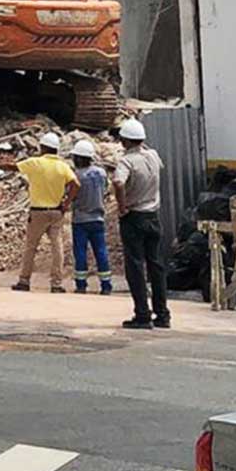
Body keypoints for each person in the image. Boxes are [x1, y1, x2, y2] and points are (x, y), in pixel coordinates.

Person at [0, 131, 80, 293]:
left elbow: (12, 167)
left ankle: (24, 281)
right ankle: (56, 284)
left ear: (43, 147)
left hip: (38, 213)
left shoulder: (36, 163)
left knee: (31, 247)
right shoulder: (63, 166)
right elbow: (76, 184)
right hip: (57, 212)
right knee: (57, 248)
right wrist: (65, 204)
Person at [114, 117, 170, 331]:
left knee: (136, 267)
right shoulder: (153, 156)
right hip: (153, 217)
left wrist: (121, 206)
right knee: (156, 266)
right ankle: (162, 314)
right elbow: (148, 152)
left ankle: (142, 315)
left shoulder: (126, 161)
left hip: (134, 217)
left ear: (124, 141)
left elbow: (118, 181)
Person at [70, 138, 112, 295]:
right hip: (98, 218)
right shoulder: (101, 173)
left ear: (80, 158)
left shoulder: (76, 176)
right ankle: (106, 285)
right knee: (101, 251)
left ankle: (81, 285)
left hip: (80, 220)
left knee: (80, 252)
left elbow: (71, 195)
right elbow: (106, 190)